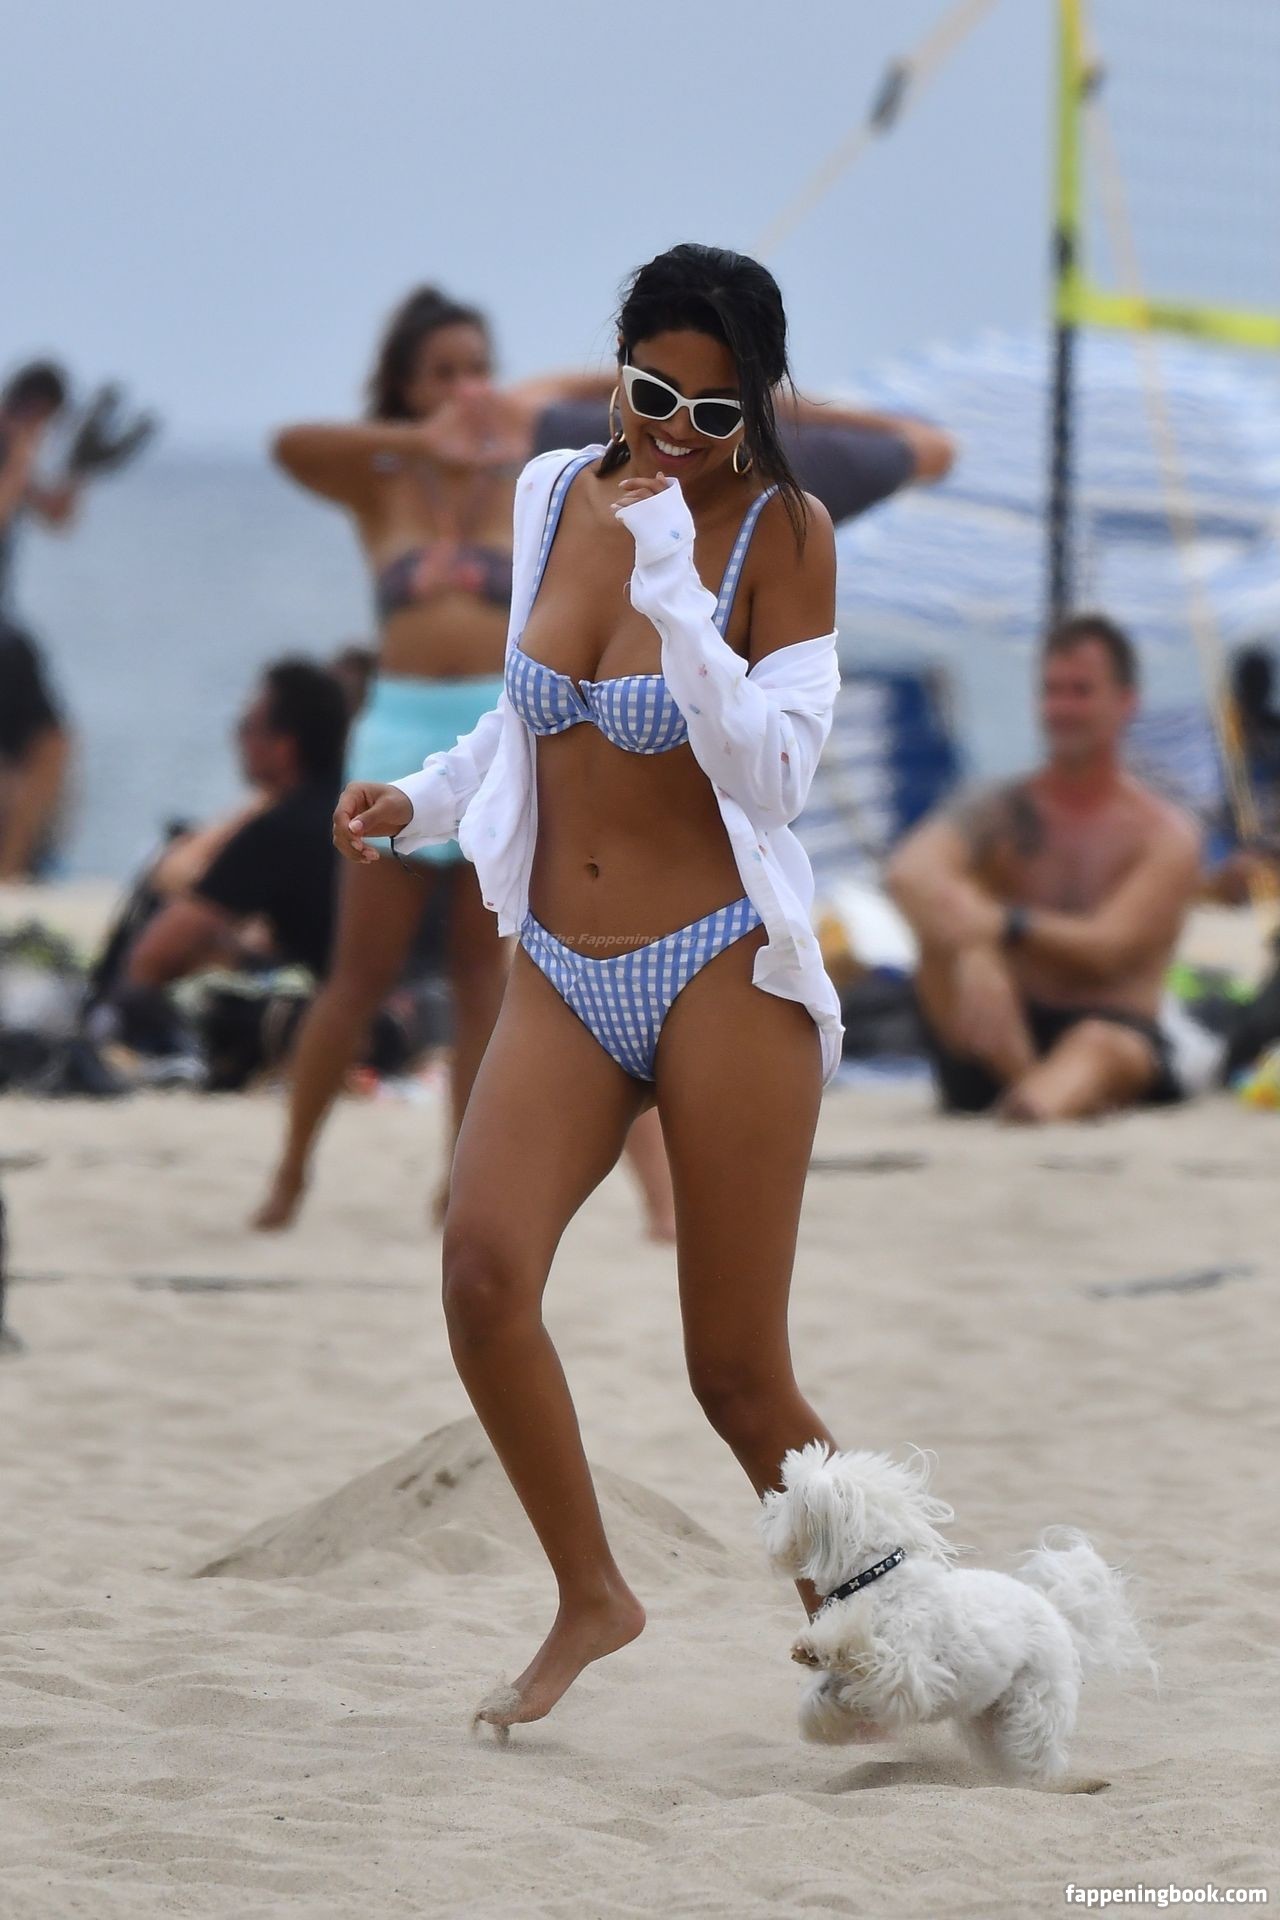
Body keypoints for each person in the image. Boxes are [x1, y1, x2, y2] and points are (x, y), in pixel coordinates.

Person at [334, 242, 851, 1734]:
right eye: (650, 395)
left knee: (736, 1374)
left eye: (715, 413)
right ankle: (590, 1593)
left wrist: (678, 583)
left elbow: (774, 773)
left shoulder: (785, 533)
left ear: (757, 409)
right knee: (482, 1278)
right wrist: (423, 801)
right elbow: (525, 719)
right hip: (560, 964)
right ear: (614, 370)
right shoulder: (552, 489)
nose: (675, 434)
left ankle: (887, 1621)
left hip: (724, 964)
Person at [254, 287, 953, 1239]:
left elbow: (772, 772)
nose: (465, 390)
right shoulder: (467, 487)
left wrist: (675, 559)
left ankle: (503, 1187)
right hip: (450, 756)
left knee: (479, 984)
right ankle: (291, 1172)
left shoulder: (724, 512)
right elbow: (294, 448)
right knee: (360, 984)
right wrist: (423, 796)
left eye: (477, 369)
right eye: (441, 375)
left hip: (684, 914)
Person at [887, 613, 1202, 1121]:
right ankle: (1031, 1089)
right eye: (1052, 691)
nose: (1062, 708)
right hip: (996, 1029)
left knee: (1100, 1042)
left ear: (1126, 702)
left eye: (1081, 691)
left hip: (1110, 1029)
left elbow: (1108, 949)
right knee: (938, 949)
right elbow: (910, 872)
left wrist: (1003, 924)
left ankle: (1036, 1100)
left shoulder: (1165, 834)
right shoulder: (1003, 807)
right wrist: (973, 947)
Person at [121, 659, 348, 992]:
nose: (235, 738)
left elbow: (151, 958)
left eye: (245, 726)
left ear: (284, 747)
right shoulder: (345, 804)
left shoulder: (280, 830)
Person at [0, 363, 76, 879]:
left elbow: (57, 516)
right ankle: (9, 874)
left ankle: (12, 871)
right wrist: (22, 455)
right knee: (47, 741)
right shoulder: (11, 448)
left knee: (39, 750)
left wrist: (81, 469)